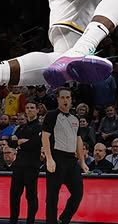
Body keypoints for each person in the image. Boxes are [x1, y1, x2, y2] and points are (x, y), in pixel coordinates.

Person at [41, 88, 89, 224]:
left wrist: (82, 161)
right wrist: (49, 159)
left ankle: (65, 219)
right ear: (58, 99)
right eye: (62, 97)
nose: (65, 100)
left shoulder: (75, 118)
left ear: (71, 99)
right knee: (52, 196)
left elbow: (78, 140)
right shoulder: (51, 115)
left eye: (68, 97)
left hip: (71, 160)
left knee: (78, 192)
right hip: (56, 157)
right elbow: (45, 137)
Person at [9, 101, 42, 224]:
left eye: (32, 107)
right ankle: (13, 220)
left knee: (31, 195)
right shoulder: (21, 127)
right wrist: (20, 142)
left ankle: (30, 221)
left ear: (37, 110)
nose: (29, 109)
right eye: (27, 107)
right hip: (18, 165)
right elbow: (11, 142)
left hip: (32, 165)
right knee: (14, 195)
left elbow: (35, 144)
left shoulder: (39, 127)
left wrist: (20, 142)